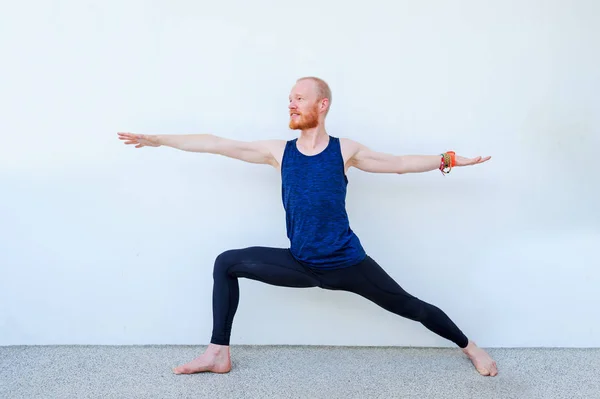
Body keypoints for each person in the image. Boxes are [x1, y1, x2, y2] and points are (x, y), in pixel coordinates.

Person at [117, 76, 498, 377]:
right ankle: (218, 353)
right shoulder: (278, 151)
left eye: (299, 97)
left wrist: (447, 158)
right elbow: (216, 143)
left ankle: (470, 347)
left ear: (322, 103)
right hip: (301, 264)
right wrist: (159, 140)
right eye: (290, 98)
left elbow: (398, 163)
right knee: (225, 262)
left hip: (348, 264)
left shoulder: (344, 150)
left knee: (410, 306)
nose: (291, 103)